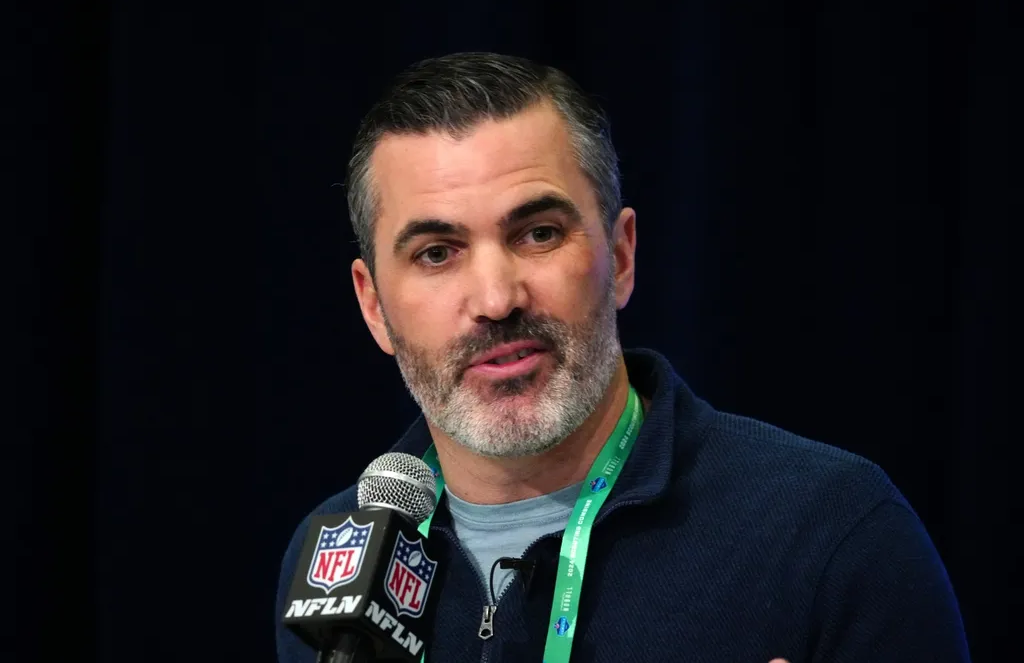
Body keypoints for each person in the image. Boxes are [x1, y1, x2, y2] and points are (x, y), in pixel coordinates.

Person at [275, 52, 970, 663]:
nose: (495, 297)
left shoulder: (829, 536)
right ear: (374, 306)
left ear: (622, 254)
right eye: (436, 253)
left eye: (539, 233)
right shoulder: (334, 562)